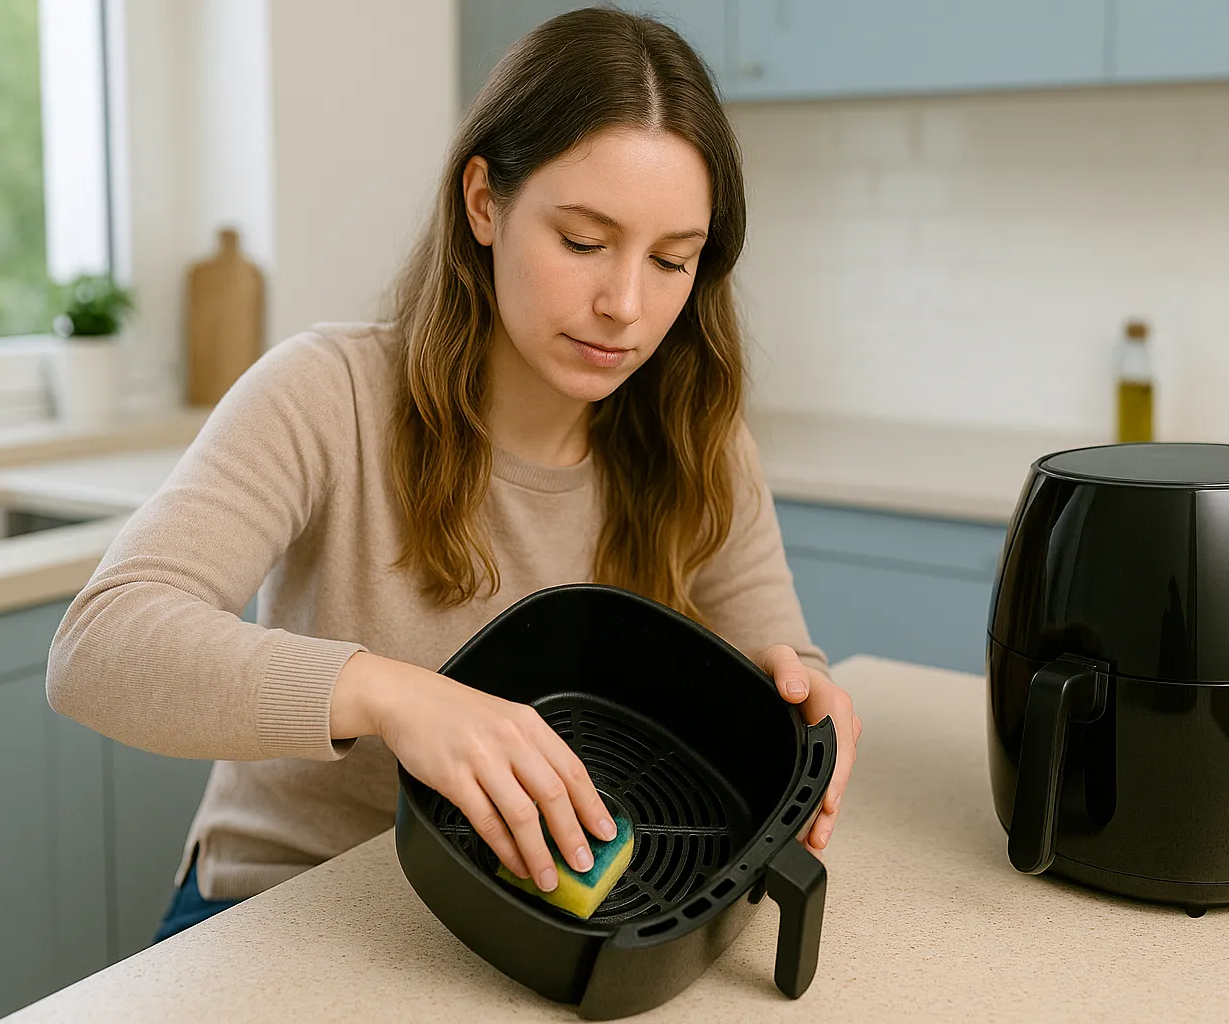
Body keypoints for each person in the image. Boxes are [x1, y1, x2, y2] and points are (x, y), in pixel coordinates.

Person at [47, 6, 860, 943]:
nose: (626, 307)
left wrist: (803, 702)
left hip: (546, 932)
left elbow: (787, 662)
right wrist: (392, 695)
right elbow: (99, 647)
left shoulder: (698, 439)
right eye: (585, 242)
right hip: (287, 908)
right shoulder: (330, 393)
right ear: (484, 201)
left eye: (673, 260)